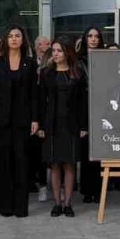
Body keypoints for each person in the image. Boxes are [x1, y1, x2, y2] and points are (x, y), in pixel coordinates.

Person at [0, 25, 39, 218]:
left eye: (17, 36)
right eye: (10, 36)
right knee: (4, 163)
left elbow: (34, 93)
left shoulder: (30, 63)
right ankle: (6, 206)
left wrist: (35, 118)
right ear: (5, 40)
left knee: (21, 163)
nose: (14, 39)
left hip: (23, 120)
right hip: (2, 119)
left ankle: (21, 207)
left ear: (23, 39)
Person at [38, 38, 87, 218]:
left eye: (59, 50)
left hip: (71, 125)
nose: (55, 53)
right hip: (52, 124)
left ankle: (68, 204)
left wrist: (84, 125)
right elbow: (41, 100)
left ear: (67, 53)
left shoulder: (77, 73)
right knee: (54, 164)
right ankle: (57, 203)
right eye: (54, 50)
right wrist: (41, 125)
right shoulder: (46, 73)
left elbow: (83, 102)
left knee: (70, 164)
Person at [77, 26, 106, 204]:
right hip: (83, 107)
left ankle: (99, 190)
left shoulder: (106, 58)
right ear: (85, 38)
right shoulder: (79, 60)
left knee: (100, 150)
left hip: (102, 107)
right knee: (86, 150)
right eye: (90, 36)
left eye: (96, 36)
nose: (93, 39)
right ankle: (87, 190)